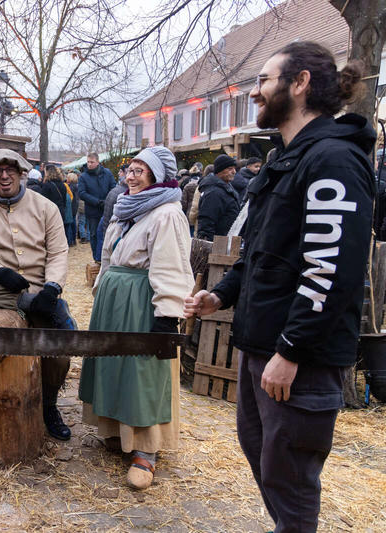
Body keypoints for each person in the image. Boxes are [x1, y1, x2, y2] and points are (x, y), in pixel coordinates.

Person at [184, 42, 373, 532]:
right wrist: (220, 295)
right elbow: (261, 253)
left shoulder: (332, 160)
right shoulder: (283, 160)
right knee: (267, 464)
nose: (254, 91)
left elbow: (332, 269)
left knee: (290, 478)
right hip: (261, 348)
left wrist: (291, 349)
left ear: (300, 82)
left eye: (264, 80)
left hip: (297, 358)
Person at [79, 146, 192, 491]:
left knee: (143, 371)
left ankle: (146, 450)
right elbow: (109, 253)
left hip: (143, 301)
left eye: (140, 171)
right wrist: (103, 286)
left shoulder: (167, 213)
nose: (131, 176)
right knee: (115, 366)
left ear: (157, 176)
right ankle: (116, 431)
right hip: (115, 300)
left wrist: (167, 315)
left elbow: (171, 264)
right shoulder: (125, 208)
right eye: (130, 170)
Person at [0, 148, 74, 441]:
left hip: (41, 287)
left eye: (10, 170)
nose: (4, 175)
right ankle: (24, 304)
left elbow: (59, 251)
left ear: (22, 173)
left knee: (59, 356)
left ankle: (49, 405)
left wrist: (52, 287)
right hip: (2, 288)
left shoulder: (46, 207)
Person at [78, 153, 115, 261]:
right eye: (88, 162)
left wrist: (108, 201)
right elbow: (82, 193)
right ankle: (96, 258)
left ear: (97, 162)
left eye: (92, 162)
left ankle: (108, 257)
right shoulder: (83, 177)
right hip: (92, 210)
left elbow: (113, 187)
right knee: (94, 234)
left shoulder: (107, 173)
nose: (89, 164)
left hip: (107, 209)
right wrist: (97, 202)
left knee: (108, 233)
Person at [195, 155, 240, 241]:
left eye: (234, 168)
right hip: (218, 244)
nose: (234, 171)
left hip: (227, 241)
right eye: (230, 169)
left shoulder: (226, 187)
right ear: (219, 170)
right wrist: (209, 247)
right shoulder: (214, 192)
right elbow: (207, 223)